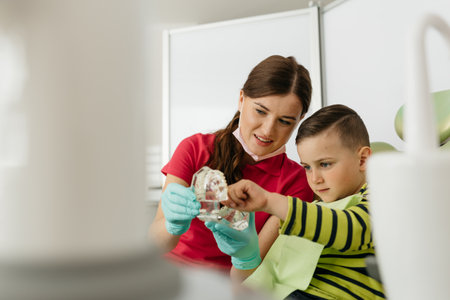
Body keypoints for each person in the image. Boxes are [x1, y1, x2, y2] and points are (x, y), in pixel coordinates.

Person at [149, 55, 315, 272]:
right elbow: (154, 245)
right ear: (241, 99)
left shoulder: (297, 182)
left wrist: (246, 256)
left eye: (284, 121)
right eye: (260, 111)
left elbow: (249, 278)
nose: (267, 130)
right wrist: (172, 226)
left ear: (299, 120)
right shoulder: (194, 149)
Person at [208, 104, 385, 299]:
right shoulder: (304, 214)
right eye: (307, 167)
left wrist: (270, 201)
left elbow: (351, 229)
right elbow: (252, 286)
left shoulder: (380, 198)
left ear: (362, 160)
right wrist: (244, 256)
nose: (315, 178)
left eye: (325, 164)